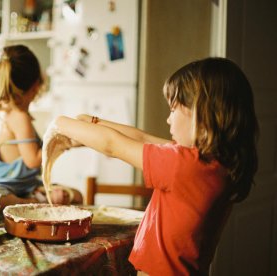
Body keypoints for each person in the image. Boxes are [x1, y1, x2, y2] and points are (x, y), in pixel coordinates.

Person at [51, 57, 258, 275]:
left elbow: (113, 145)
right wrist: (92, 122)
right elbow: (141, 137)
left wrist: (59, 124)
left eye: (174, 109)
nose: (168, 119)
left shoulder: (183, 165)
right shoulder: (210, 165)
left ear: (202, 114)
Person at [0, 44, 83, 212]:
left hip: (27, 187)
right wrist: (63, 142)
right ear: (36, 84)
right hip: (2, 189)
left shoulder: (8, 112)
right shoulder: (18, 116)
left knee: (75, 195)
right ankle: (33, 203)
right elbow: (32, 161)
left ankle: (33, 201)